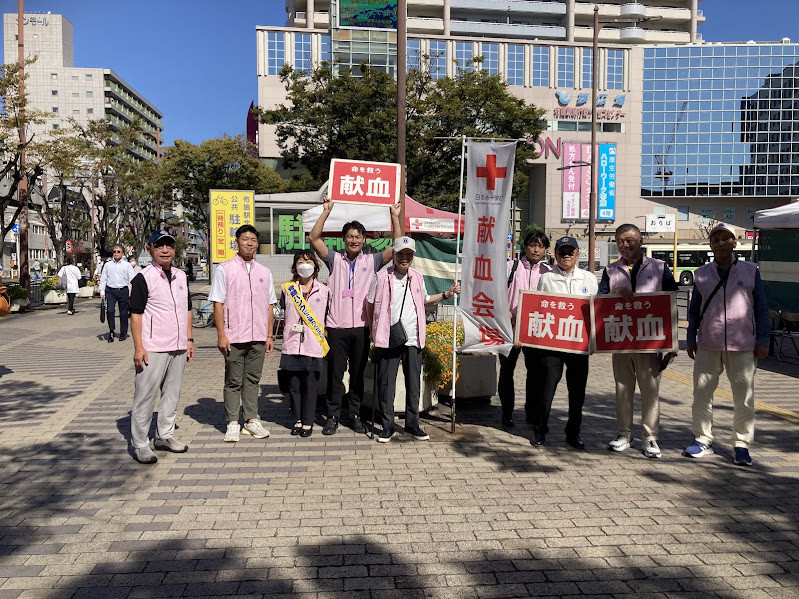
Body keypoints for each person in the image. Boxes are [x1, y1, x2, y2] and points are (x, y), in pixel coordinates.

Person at [309, 197, 402, 436]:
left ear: (363, 240)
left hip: (362, 326)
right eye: (350, 236)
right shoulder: (334, 259)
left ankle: (354, 414)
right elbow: (314, 239)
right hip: (337, 327)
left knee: (358, 375)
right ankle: (332, 416)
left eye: (358, 236)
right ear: (344, 239)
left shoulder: (372, 261)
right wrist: (326, 212)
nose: (354, 240)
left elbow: (399, 245)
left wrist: (394, 216)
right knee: (335, 374)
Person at [684, 223, 769, 467]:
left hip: (743, 344)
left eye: (726, 238)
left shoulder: (751, 271)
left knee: (743, 397)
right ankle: (702, 439)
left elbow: (761, 309)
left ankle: (741, 444)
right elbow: (694, 311)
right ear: (710, 245)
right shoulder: (701, 274)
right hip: (708, 342)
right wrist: (691, 338)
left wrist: (763, 340)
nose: (721, 243)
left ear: (735, 242)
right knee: (702, 393)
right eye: (716, 239)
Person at [598, 224, 680, 459]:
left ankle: (650, 437)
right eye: (620, 240)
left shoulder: (659, 267)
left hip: (650, 341)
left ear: (641, 240)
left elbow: (670, 304)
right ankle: (624, 434)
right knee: (622, 389)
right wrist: (613, 294)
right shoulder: (610, 270)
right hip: (621, 340)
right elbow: (600, 301)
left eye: (630, 240)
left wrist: (672, 343)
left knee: (650, 390)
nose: (625, 244)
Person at [366, 237, 460, 442]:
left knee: (413, 383)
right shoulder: (381, 277)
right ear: (394, 255)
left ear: (413, 256)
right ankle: (387, 426)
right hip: (389, 336)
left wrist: (446, 294)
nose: (405, 258)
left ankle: (412, 424)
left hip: (413, 337)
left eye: (409, 254)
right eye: (401, 254)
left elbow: (425, 300)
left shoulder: (417, 277)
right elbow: (370, 303)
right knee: (386, 384)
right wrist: (374, 330)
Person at [129, 230, 195, 464]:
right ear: (150, 250)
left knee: (172, 394)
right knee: (145, 396)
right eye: (159, 246)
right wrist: (139, 347)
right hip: (153, 346)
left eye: (169, 245)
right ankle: (140, 444)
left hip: (178, 346)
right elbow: (135, 315)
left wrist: (189, 339)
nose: (165, 250)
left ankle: (164, 436)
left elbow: (187, 309)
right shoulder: (142, 278)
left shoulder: (181, 276)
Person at [210, 224, 276, 443]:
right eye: (245, 239)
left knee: (252, 380)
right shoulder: (225, 269)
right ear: (236, 242)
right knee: (233, 381)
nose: (249, 243)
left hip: (258, 336)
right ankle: (232, 421)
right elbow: (218, 303)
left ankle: (250, 419)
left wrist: (269, 335)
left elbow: (269, 306)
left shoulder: (264, 272)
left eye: (253, 240)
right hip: (234, 336)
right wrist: (221, 334)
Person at [533, 236, 598, 449]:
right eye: (562, 252)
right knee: (546, 387)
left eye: (570, 252)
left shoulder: (589, 278)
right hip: (552, 345)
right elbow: (539, 309)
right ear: (556, 255)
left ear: (578, 254)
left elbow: (596, 311)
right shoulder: (546, 279)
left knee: (577, 391)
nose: (566, 256)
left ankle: (573, 432)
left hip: (579, 345)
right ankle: (540, 429)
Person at [499, 231, 552, 427]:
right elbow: (497, 294)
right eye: (532, 244)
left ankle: (531, 413)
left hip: (536, 329)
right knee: (506, 371)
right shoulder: (511, 267)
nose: (536, 249)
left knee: (535, 372)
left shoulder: (548, 272)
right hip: (510, 328)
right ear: (525, 246)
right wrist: (506, 314)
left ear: (545, 250)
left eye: (540, 246)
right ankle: (507, 412)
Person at [279, 251, 331, 437]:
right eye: (300, 262)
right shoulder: (288, 290)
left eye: (308, 261)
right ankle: (297, 419)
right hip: (292, 344)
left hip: (313, 345)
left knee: (310, 386)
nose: (304, 265)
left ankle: (308, 422)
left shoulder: (324, 291)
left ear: (315, 266)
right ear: (295, 267)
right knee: (294, 386)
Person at [100, 244, 135, 343]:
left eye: (118, 251)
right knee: (110, 311)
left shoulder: (127, 265)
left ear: (122, 253)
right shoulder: (108, 265)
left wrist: (131, 292)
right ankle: (111, 331)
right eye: (114, 251)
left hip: (123, 290)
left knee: (123, 313)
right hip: (110, 290)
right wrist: (102, 291)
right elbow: (103, 279)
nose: (116, 253)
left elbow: (131, 280)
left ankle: (123, 333)